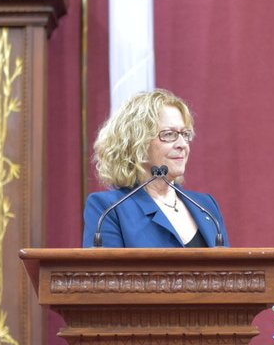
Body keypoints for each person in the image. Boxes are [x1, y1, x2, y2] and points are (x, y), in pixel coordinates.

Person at [83, 89, 229, 248]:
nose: (182, 144)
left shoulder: (206, 206)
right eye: (169, 134)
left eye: (185, 134)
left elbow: (228, 270)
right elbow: (105, 272)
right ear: (138, 143)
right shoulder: (109, 209)